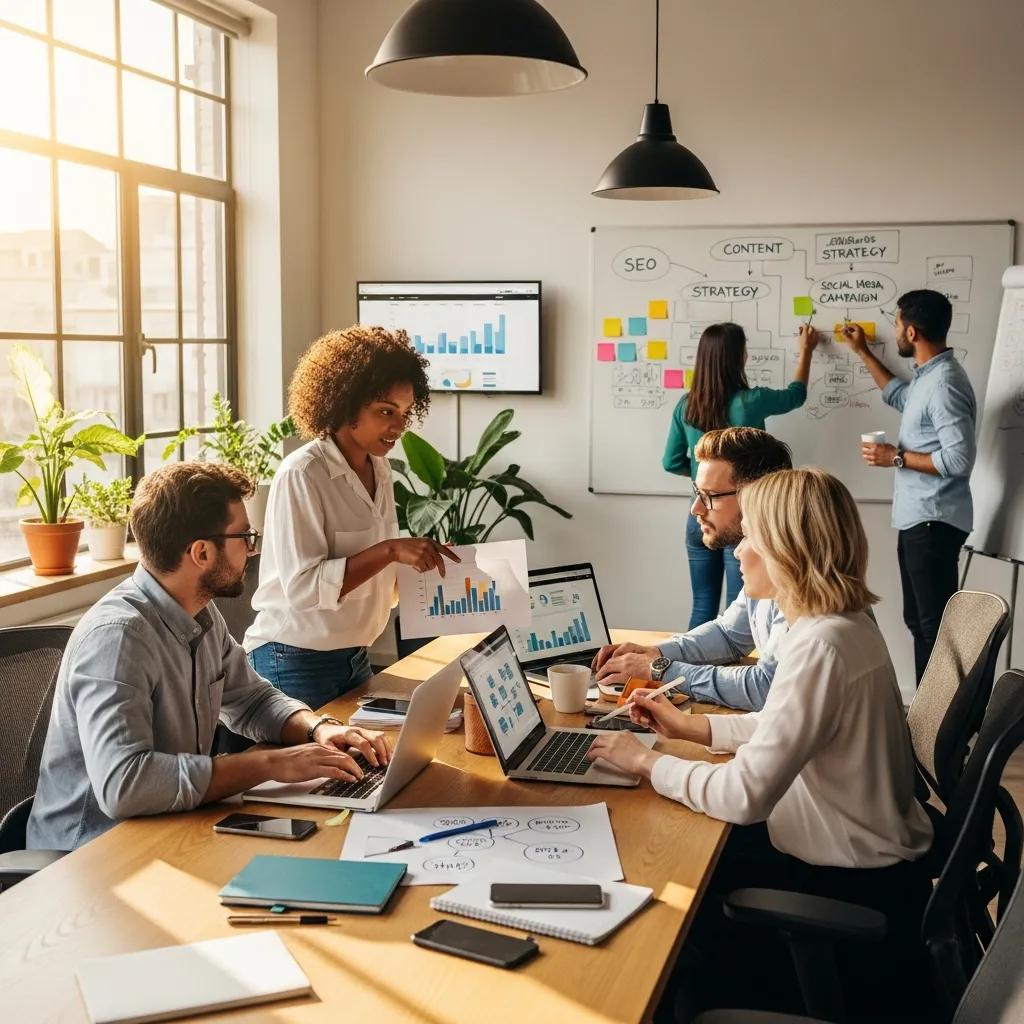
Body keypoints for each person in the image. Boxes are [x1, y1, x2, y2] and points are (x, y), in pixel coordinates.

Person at [586, 468, 933, 1018]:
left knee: (661, 888)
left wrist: (646, 764)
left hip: (846, 886)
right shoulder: (836, 626)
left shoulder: (821, 645)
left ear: (785, 550)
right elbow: (791, 726)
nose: (740, 550)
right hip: (868, 866)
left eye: (752, 536)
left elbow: (744, 796)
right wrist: (693, 728)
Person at [27, 464, 391, 852]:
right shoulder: (117, 638)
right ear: (201, 552)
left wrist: (317, 729)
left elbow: (252, 700)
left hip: (170, 827)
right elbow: (125, 784)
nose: (252, 549)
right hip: (89, 856)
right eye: (245, 537)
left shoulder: (198, 612)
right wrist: (270, 765)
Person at [245, 326, 459, 708]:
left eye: (405, 413)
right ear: (345, 404)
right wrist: (391, 550)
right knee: (328, 769)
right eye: (385, 412)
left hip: (355, 657)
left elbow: (375, 579)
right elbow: (305, 590)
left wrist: (417, 561)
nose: (398, 426)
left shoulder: (380, 469)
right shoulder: (303, 474)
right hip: (293, 661)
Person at [592, 426, 793, 710]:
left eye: (710, 495)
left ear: (758, 497)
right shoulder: (764, 562)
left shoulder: (798, 577)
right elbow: (729, 635)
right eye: (697, 492)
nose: (696, 508)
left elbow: (766, 687)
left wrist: (660, 669)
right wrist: (653, 653)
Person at [844, 290, 976, 683]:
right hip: (921, 520)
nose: (894, 330)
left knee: (935, 632)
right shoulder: (928, 378)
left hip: (934, 522)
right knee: (922, 625)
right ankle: (927, 724)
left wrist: (895, 458)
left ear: (912, 331)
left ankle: (942, 733)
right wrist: (864, 352)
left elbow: (958, 460)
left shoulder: (944, 384)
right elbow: (900, 396)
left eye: (897, 323)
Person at [663, 322, 819, 628]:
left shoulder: (686, 405)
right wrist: (806, 350)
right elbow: (796, 395)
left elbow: (670, 461)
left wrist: (702, 479)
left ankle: (691, 674)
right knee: (744, 610)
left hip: (699, 518)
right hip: (742, 520)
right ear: (739, 356)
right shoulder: (752, 400)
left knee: (703, 606)